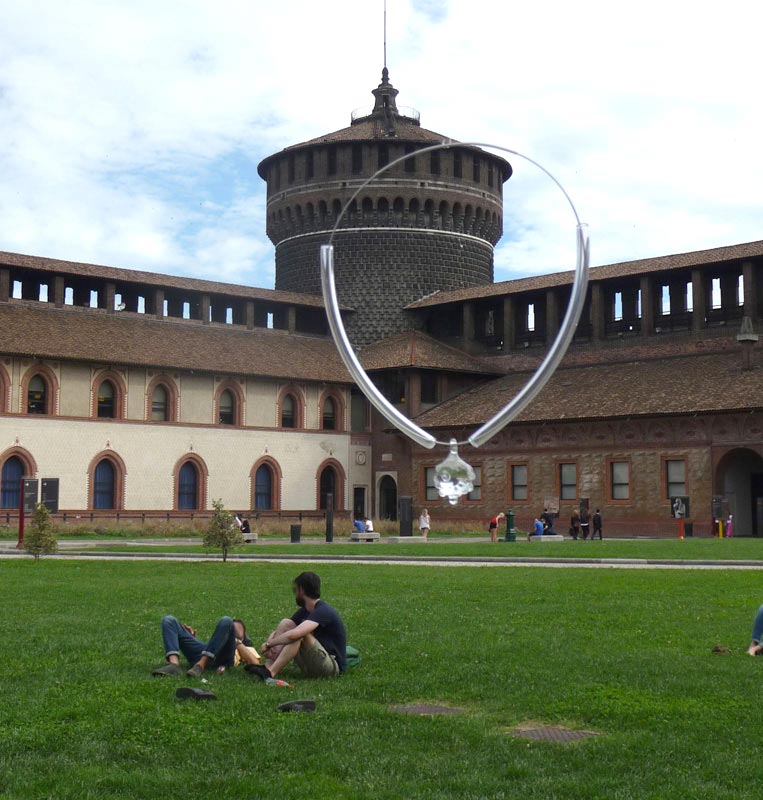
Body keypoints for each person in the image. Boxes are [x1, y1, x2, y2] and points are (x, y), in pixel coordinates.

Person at [247, 571, 347, 681]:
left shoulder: (323, 610)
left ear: (302, 590)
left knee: (299, 635)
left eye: (295, 590)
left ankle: (271, 673)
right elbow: (285, 629)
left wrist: (269, 644)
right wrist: (271, 643)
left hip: (332, 667)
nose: (295, 594)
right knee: (286, 623)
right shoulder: (305, 611)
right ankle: (268, 666)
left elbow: (294, 635)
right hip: (314, 663)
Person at [152, 615, 260, 677]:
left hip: (222, 658)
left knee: (226, 620)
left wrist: (237, 642)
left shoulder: (246, 647)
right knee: (169, 620)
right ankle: (174, 665)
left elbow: (255, 662)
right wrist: (192, 638)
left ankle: (200, 666)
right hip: (206, 650)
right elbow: (211, 645)